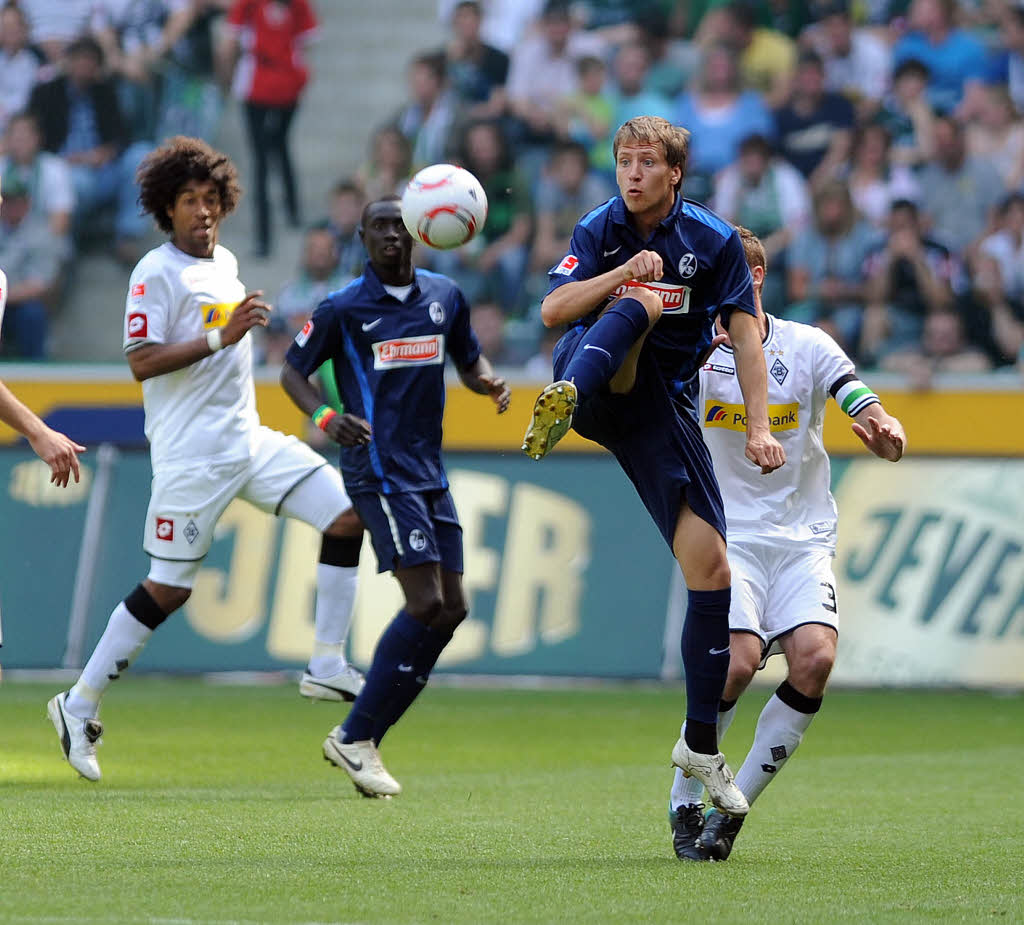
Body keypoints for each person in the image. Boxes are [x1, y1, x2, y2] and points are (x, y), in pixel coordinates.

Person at [47, 137, 365, 783]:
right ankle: (77, 703)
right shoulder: (154, 272)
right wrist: (224, 333)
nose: (203, 211)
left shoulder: (228, 263)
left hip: (247, 441)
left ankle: (327, 661)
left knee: (347, 517)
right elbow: (140, 360)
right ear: (167, 208)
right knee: (170, 587)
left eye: (212, 199)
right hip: (191, 457)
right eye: (190, 200)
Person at [521, 115, 785, 818]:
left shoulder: (714, 241)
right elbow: (553, 308)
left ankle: (700, 743)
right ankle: (568, 395)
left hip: (657, 408)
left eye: (645, 163)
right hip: (593, 381)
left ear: (674, 173)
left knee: (713, 570)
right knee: (637, 297)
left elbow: (747, 337)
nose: (632, 174)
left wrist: (760, 426)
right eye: (623, 162)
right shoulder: (599, 227)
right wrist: (622, 273)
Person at [668, 226, 906, 862]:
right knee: (738, 662)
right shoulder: (686, 354)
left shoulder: (806, 345)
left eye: (734, 276)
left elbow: (856, 395)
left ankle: (731, 813)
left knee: (815, 661)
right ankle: (685, 794)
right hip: (728, 535)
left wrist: (882, 425)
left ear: (756, 278)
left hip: (802, 538)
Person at [281, 196, 510, 798]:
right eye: (377, 227)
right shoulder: (342, 308)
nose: (389, 235)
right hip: (377, 470)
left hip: (429, 470)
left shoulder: (445, 296)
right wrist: (328, 416)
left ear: (416, 232)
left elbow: (467, 358)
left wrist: (485, 380)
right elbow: (291, 372)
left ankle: (362, 734)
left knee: (453, 607)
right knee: (426, 599)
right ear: (362, 238)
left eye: (396, 226)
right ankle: (358, 735)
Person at [218, 0, 318, 257]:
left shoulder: (250, 4)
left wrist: (225, 83)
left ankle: (264, 238)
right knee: (280, 145)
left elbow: (229, 44)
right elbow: (306, 43)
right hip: (287, 83)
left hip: (258, 85)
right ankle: (292, 211)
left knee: (262, 158)